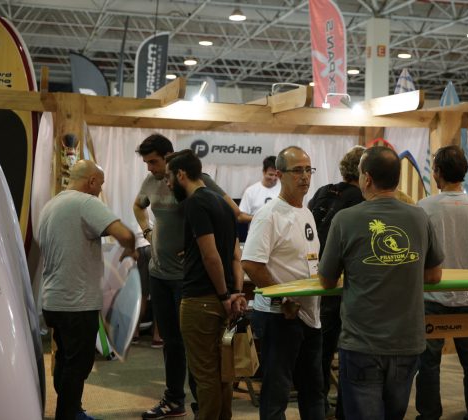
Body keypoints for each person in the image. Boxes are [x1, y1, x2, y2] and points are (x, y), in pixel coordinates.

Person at [318, 146, 444, 420]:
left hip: (362, 341)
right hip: (407, 341)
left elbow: (327, 281)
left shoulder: (345, 219)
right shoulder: (419, 217)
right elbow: (434, 275)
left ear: (366, 178)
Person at [134, 134, 241, 419]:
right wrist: (147, 232)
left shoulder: (198, 188)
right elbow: (138, 206)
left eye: (154, 162)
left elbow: (231, 214)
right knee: (171, 343)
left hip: (189, 279)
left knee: (199, 352)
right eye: (146, 162)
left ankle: (202, 407)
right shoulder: (151, 183)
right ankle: (174, 399)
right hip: (160, 273)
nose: (151, 169)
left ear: (171, 159)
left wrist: (197, 247)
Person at [39, 160, 136, 420]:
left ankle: (70, 408)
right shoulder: (86, 203)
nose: (100, 190)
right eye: (100, 184)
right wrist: (130, 249)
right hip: (77, 301)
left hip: (53, 299)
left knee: (65, 358)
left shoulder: (51, 205)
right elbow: (124, 234)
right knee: (78, 363)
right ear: (91, 181)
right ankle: (68, 413)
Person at [241, 146, 325, 420]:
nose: (304, 176)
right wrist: (283, 298)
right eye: (297, 170)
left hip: (310, 316)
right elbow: (251, 264)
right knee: (276, 393)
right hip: (280, 316)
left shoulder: (307, 212)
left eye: (308, 169)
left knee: (313, 390)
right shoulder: (269, 215)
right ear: (279, 174)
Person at [164, 150, 247, 420]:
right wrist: (235, 293)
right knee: (222, 373)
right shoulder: (224, 204)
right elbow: (234, 256)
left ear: (181, 174)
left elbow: (211, 256)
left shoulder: (196, 204)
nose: (166, 183)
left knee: (205, 376)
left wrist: (225, 295)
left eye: (168, 177)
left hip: (201, 300)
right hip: (220, 298)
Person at [415, 145, 468, 420]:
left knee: (428, 364)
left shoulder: (423, 208)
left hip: (431, 298)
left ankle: (429, 415)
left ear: (436, 172)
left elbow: (415, 253)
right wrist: (464, 255)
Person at [308, 145, 364, 419]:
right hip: (344, 285)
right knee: (347, 351)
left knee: (321, 349)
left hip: (317, 278)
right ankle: (344, 409)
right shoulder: (360, 200)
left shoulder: (323, 192)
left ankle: (318, 406)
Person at [238, 155, 280, 223]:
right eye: (271, 175)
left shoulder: (284, 191)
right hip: (256, 232)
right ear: (264, 172)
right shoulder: (251, 191)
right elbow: (241, 216)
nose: (273, 178)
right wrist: (259, 218)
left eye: (276, 175)